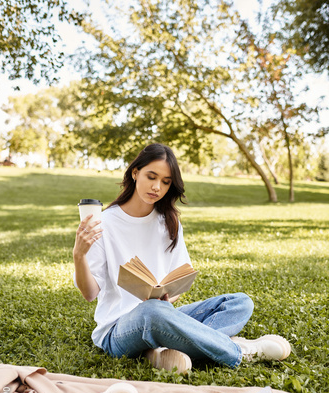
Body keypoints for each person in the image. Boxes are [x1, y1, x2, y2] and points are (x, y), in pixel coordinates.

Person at [73, 143, 291, 373]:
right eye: (151, 176)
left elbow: (177, 282)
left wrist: (168, 296)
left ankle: (158, 352)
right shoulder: (103, 223)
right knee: (152, 312)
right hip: (118, 330)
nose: (157, 187)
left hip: (162, 315)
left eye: (166, 182)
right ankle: (238, 351)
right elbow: (89, 294)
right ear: (135, 172)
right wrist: (79, 255)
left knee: (239, 303)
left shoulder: (169, 222)